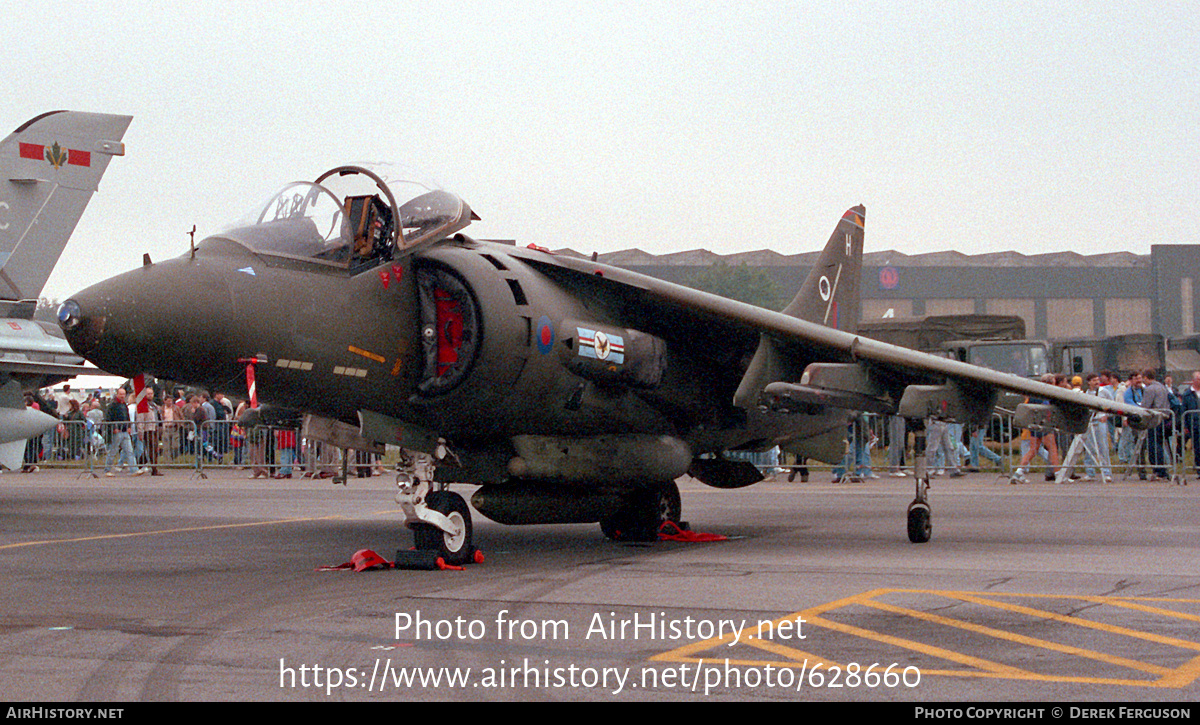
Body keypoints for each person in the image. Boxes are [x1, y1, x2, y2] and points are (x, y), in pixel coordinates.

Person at [1140, 369, 1172, 480]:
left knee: (1153, 446)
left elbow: (1145, 405)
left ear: (1145, 377)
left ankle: (1159, 470)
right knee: (1160, 444)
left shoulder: (1149, 389)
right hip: (1163, 418)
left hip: (1153, 419)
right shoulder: (1162, 387)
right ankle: (1162, 469)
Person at [104, 387, 140, 476]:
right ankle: (107, 470)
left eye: (124, 394)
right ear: (117, 394)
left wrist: (128, 426)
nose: (122, 396)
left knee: (129, 451)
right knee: (113, 451)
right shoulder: (112, 405)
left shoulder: (124, 405)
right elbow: (108, 418)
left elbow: (127, 417)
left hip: (125, 431)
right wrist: (113, 429)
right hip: (117, 431)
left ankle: (134, 470)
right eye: (121, 394)